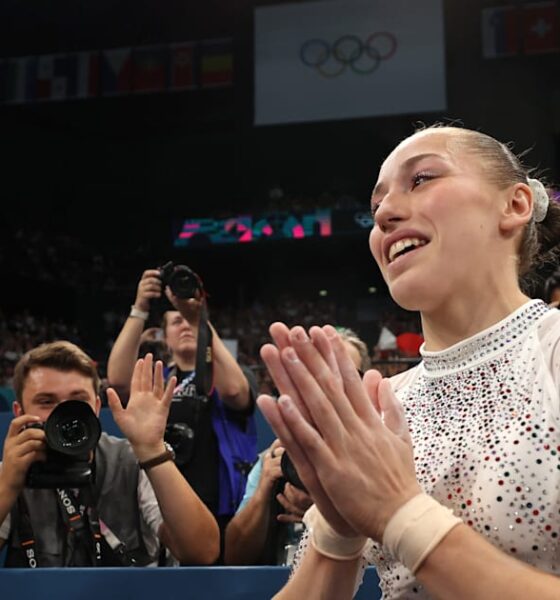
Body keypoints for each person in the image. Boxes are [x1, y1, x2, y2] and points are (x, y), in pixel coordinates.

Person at [257, 125, 560, 599]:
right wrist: (339, 533)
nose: (385, 215)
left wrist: (402, 516)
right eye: (376, 207)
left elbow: (402, 516)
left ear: (515, 205)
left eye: (421, 180)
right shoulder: (381, 407)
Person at [0, 341, 219, 567]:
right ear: (19, 412)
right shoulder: (10, 472)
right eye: (46, 401)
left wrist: (153, 451)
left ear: (95, 407)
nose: (63, 413)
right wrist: (7, 487)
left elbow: (202, 551)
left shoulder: (133, 461)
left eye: (78, 400)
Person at [107, 266, 257, 557]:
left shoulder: (228, 373)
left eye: (187, 321)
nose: (185, 326)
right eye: (176, 322)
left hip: (221, 510)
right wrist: (140, 308)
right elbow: (117, 381)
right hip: (161, 507)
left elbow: (236, 393)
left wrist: (198, 317)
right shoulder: (154, 383)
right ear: (164, 336)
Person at [224, 328, 371, 567]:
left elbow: (395, 557)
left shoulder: (380, 462)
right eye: (317, 374)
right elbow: (234, 557)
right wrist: (264, 488)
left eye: (343, 375)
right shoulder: (274, 460)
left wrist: (326, 520)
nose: (329, 387)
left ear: (362, 385)